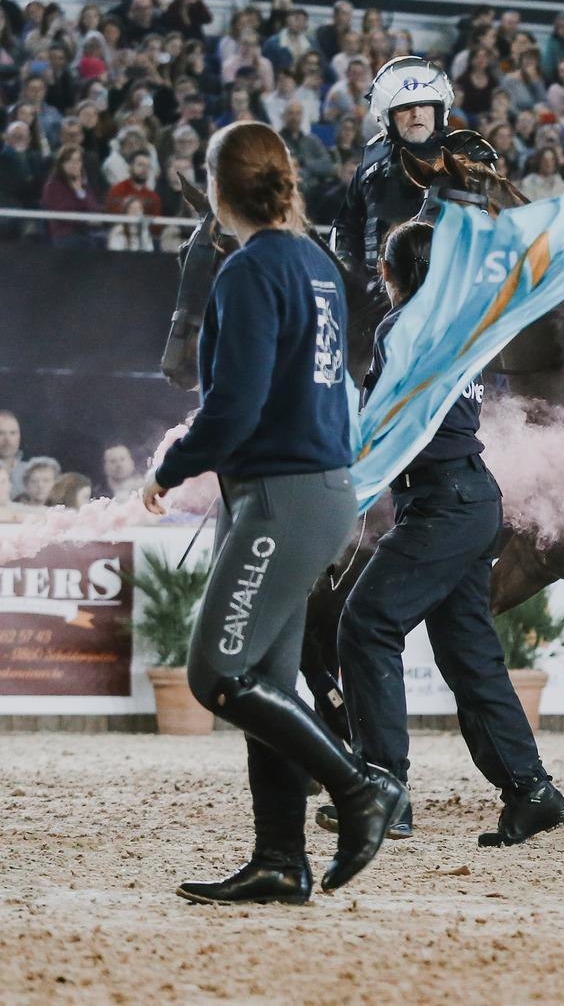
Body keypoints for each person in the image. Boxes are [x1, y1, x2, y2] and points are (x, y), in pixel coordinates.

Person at [141, 122, 404, 904]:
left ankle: (361, 786)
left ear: (217, 189)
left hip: (281, 497)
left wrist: (170, 468)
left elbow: (233, 408)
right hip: (307, 490)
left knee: (217, 673)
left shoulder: (249, 271)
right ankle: (280, 858)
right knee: (266, 679)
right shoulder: (317, 266)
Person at [322, 220, 564, 849]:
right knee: (469, 655)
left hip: (441, 503)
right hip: (472, 499)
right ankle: (530, 790)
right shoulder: (469, 327)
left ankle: (383, 789)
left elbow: (385, 424)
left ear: (388, 273)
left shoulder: (399, 328)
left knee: (367, 624)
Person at [332, 56, 494, 293]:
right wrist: (349, 277)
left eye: (425, 105)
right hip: (375, 295)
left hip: (447, 292)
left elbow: (489, 229)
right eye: (405, 107)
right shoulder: (372, 159)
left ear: (439, 110)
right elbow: (346, 227)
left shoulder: (466, 154)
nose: (416, 114)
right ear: (387, 116)